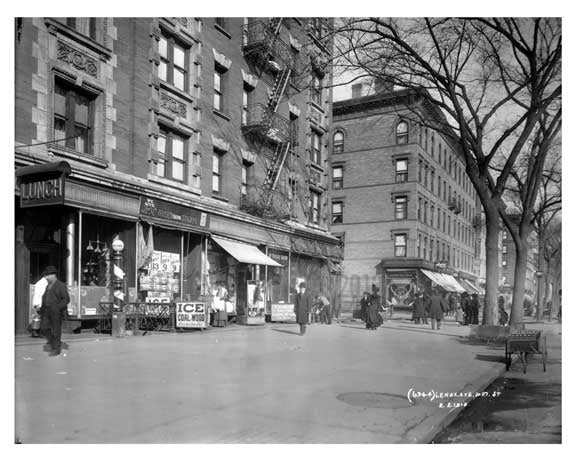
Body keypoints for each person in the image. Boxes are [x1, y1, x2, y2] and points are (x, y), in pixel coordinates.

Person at [38, 266, 70, 356]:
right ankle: (53, 343)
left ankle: (56, 349)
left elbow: (66, 299)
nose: (46, 278)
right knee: (44, 328)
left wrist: (58, 307)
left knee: (56, 330)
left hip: (56, 311)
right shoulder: (48, 286)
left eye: (47, 276)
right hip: (47, 311)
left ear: (53, 275)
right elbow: (45, 298)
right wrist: (41, 310)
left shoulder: (61, 285)